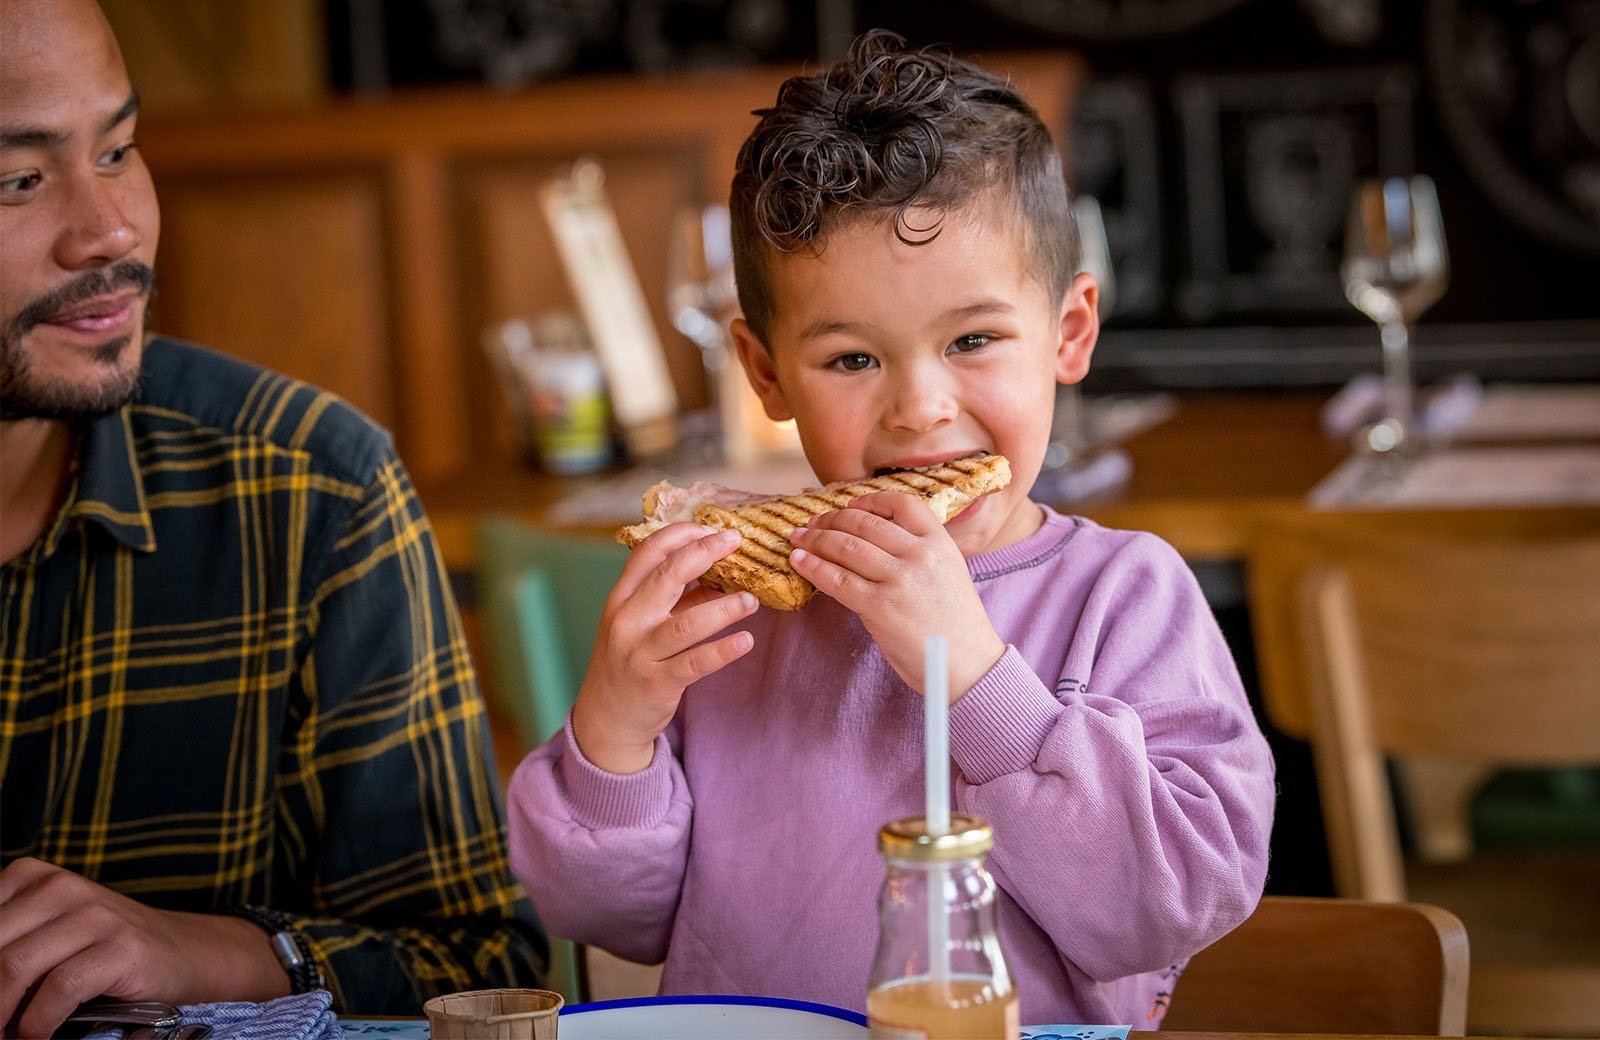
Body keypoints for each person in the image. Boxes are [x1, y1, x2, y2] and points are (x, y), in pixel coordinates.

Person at [506, 31, 1274, 1026]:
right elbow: (606, 914)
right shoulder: (733, 610)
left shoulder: (1125, 595)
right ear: (767, 372)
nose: (919, 407)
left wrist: (978, 678)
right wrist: (614, 736)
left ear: (1069, 334)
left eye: (972, 340)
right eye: (851, 360)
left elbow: (1168, 906)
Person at [0, 0, 545, 1035]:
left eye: (118, 149)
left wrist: (202, 950)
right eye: (18, 180)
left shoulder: (308, 490)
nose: (108, 227)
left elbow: (485, 970)